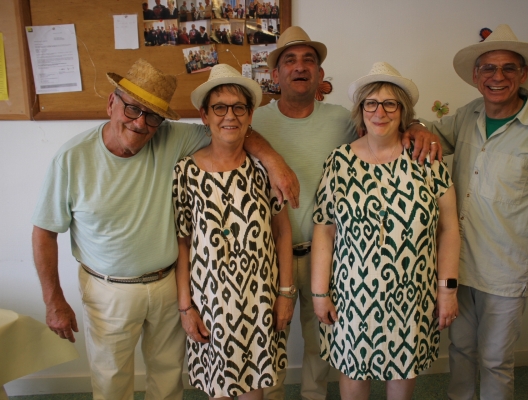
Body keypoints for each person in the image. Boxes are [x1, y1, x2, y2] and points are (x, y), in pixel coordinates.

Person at [31, 59, 299, 400]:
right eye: (131, 109)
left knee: (168, 379)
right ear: (111, 104)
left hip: (165, 285)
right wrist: (53, 299)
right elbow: (44, 232)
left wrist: (273, 161)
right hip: (109, 291)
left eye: (152, 116)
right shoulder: (72, 158)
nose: (140, 123)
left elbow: (233, 131)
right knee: (111, 381)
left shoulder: (174, 138)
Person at [252, 27, 440, 400]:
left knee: (322, 349)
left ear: (321, 75)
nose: (300, 67)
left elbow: (384, 129)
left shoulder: (342, 119)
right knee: (269, 348)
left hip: (331, 258)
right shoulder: (255, 122)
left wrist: (416, 125)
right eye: (289, 60)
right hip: (272, 257)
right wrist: (270, 155)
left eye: (309, 60)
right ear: (274, 75)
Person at [412, 24, 528, 399]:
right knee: (460, 350)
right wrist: (414, 124)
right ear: (476, 76)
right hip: (458, 264)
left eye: (508, 68)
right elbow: (430, 135)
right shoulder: (469, 114)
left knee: (494, 360)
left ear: (523, 75)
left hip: (506, 269)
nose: (497, 77)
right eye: (488, 68)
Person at [311, 61, 460, 400]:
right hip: (352, 294)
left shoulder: (427, 160)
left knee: (403, 372)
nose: (380, 112)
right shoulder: (339, 162)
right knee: (352, 370)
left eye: (390, 103)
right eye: (371, 103)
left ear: (403, 111)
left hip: (413, 293)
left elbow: (449, 228)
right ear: (360, 110)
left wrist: (447, 290)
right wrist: (320, 293)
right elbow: (324, 228)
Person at [173, 64, 294, 400]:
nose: (230, 116)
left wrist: (286, 294)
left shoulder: (265, 169)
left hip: (259, 301)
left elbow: (282, 233)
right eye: (220, 107)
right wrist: (186, 306)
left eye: (239, 107)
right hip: (209, 301)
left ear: (250, 114)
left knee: (254, 392)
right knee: (220, 390)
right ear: (204, 115)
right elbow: (182, 242)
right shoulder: (186, 171)